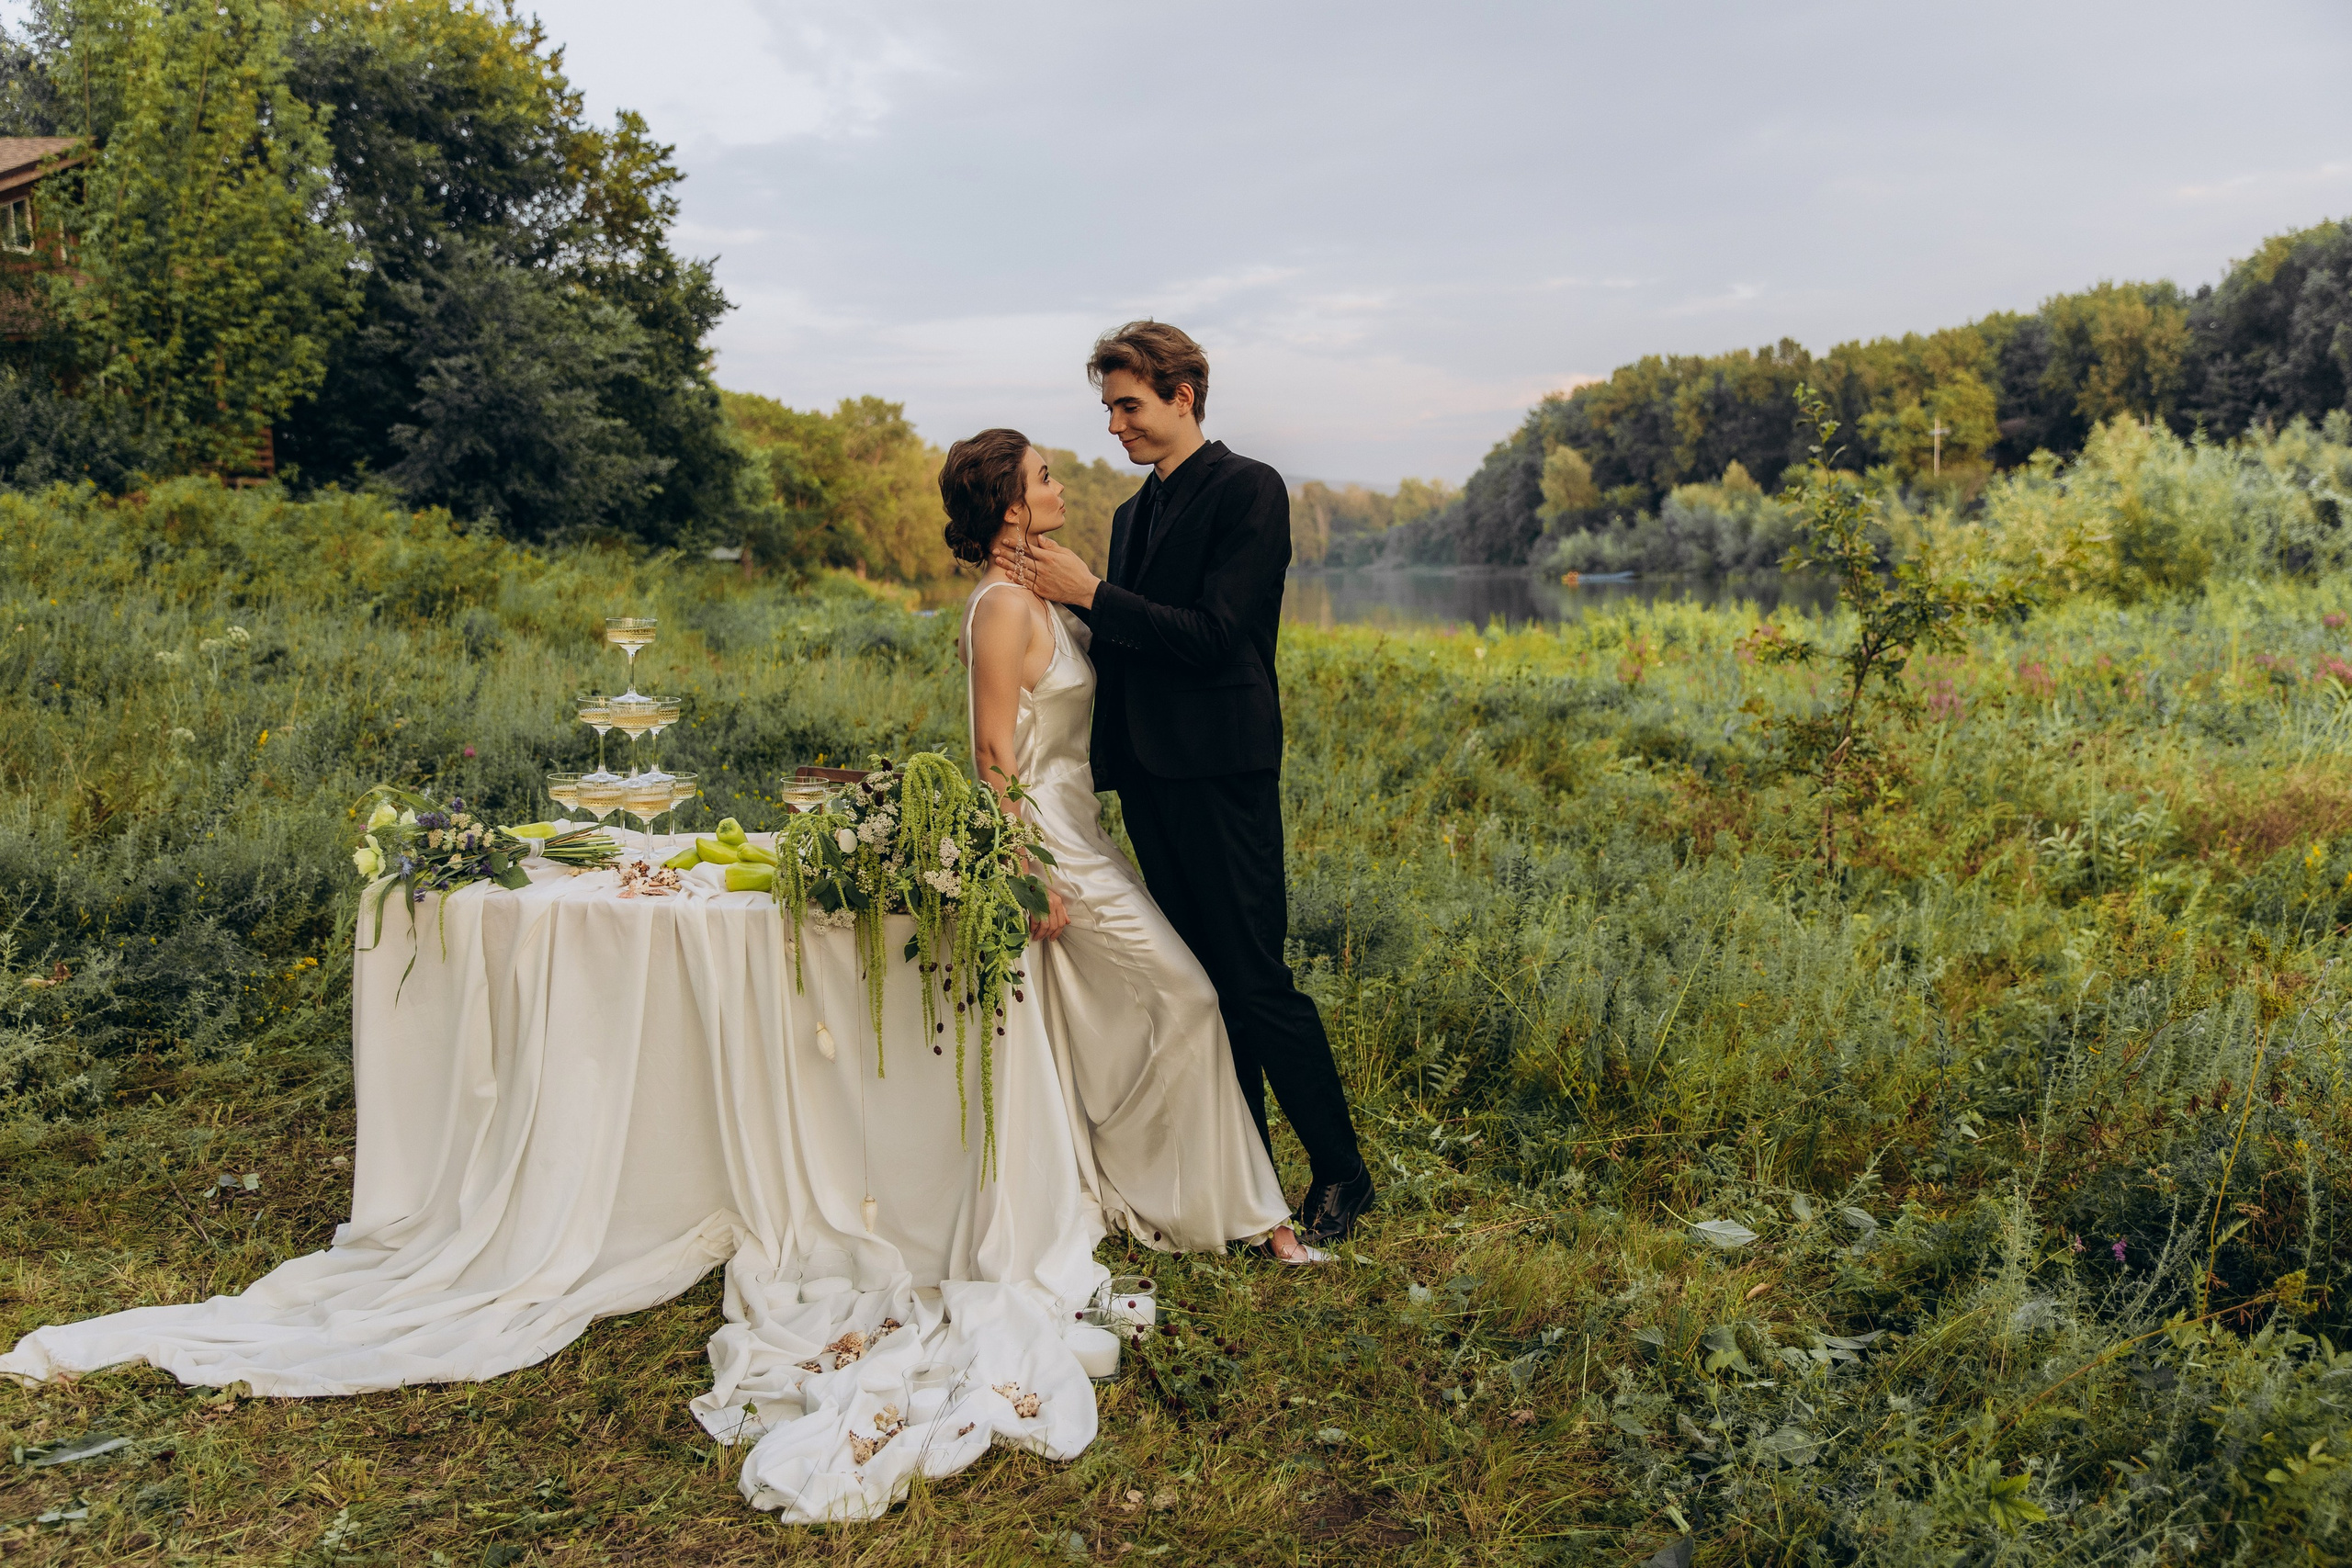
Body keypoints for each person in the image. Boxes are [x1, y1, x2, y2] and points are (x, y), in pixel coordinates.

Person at [991, 321, 1375, 1247]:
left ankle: (1340, 1173)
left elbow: (1215, 637)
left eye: (1128, 406)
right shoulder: (1130, 516)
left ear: (1182, 397)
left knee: (1253, 980)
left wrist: (1089, 593)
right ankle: (1239, 1176)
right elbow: (1126, 643)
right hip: (1151, 780)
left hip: (1223, 769)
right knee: (1201, 983)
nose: (1115, 426)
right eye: (1109, 408)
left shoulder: (1251, 490)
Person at [945, 428, 1326, 1262]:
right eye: (1044, 477)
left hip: (1082, 828)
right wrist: (1022, 868)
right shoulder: (1003, 606)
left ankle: (1191, 1187)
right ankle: (1243, 1215)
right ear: (1011, 505)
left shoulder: (1045, 583)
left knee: (1141, 1008)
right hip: (1049, 843)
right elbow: (990, 753)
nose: (1061, 481)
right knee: (1188, 997)